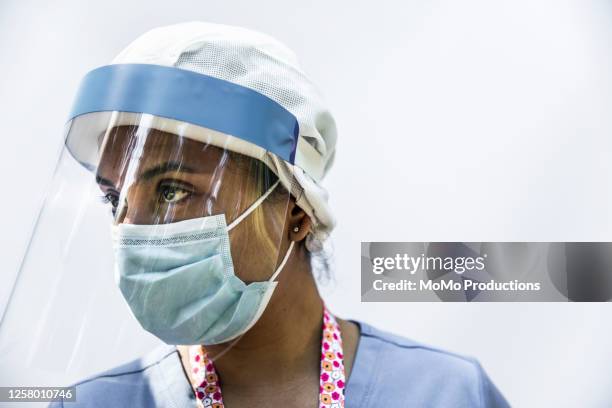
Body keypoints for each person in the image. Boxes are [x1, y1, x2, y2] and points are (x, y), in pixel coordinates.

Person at [45, 22, 509, 407]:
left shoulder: (444, 393)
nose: (130, 230)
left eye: (171, 191)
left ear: (296, 210)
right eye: (114, 199)